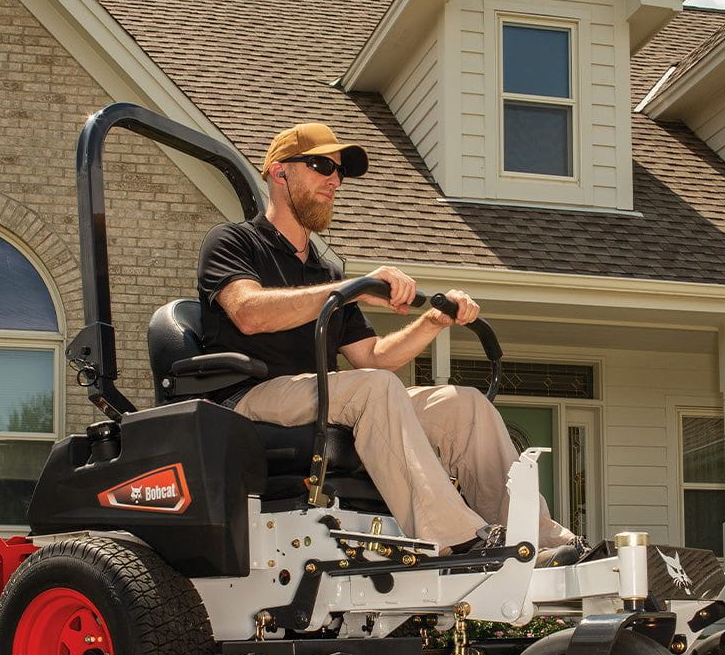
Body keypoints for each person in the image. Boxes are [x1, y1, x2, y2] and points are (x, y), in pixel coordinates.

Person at [196, 121, 573, 558]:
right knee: (372, 390)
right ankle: (456, 538)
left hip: (323, 395)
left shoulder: (325, 273)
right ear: (280, 173)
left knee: (463, 404)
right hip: (246, 399)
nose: (334, 180)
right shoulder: (234, 241)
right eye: (321, 165)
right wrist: (350, 288)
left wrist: (431, 322)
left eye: (339, 171)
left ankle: (537, 540)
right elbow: (247, 312)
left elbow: (373, 358)